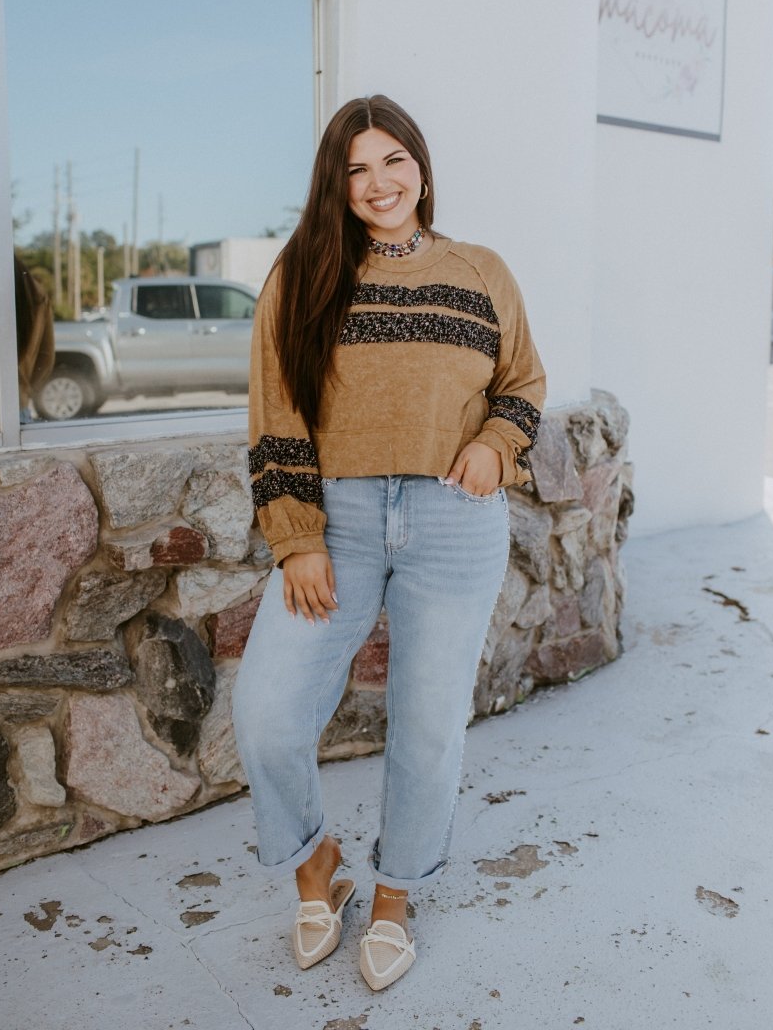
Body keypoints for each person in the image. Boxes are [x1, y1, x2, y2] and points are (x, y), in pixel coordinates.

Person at [233, 94, 545, 991]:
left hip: (454, 524)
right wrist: (295, 537)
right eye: (356, 167)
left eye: (393, 160)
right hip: (338, 520)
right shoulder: (304, 274)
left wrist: (494, 446)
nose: (378, 182)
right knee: (267, 712)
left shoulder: (482, 270)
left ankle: (397, 895)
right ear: (337, 183)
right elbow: (275, 410)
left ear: (420, 165)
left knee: (428, 728)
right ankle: (316, 864)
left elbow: (522, 384)